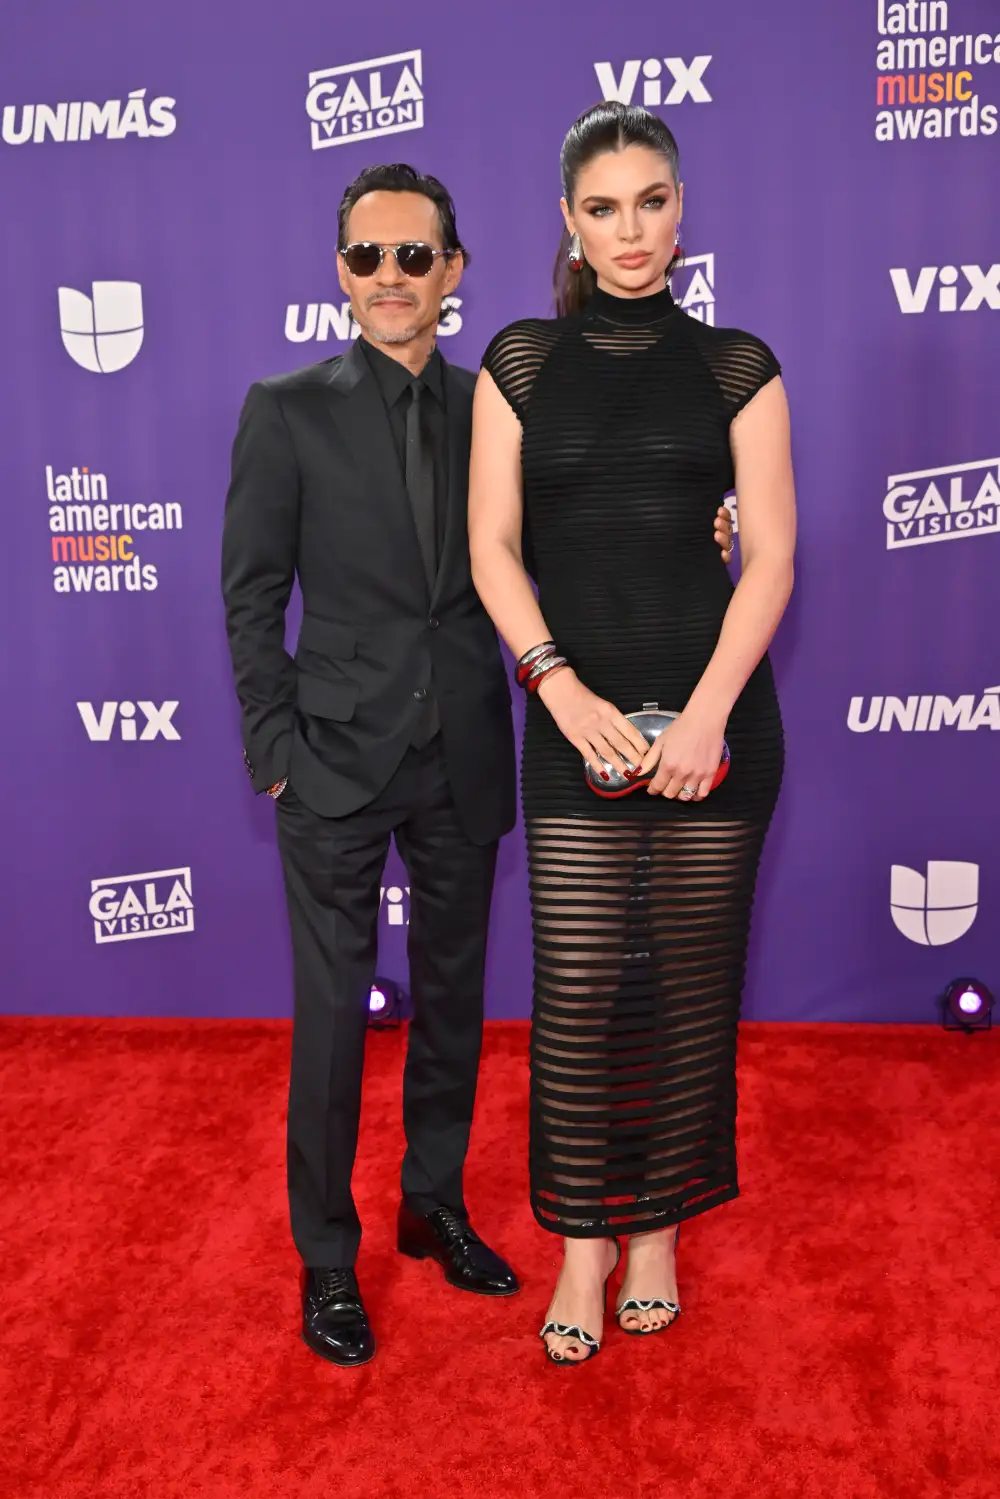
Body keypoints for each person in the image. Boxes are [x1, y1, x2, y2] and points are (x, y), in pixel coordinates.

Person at [222, 160, 737, 1369]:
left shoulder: (508, 399)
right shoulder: (283, 406)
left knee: (453, 1005)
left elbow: (580, 528)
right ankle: (328, 1258)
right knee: (331, 1025)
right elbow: (250, 596)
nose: (390, 277)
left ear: (453, 272)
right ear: (339, 272)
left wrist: (709, 525)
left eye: (415, 256)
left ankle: (433, 1203)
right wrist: (274, 753)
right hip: (334, 762)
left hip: (466, 747)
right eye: (367, 257)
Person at [468, 103, 795, 1365]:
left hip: (717, 724)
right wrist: (556, 687)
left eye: (650, 201)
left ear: (680, 207)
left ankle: (654, 1228)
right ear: (567, 220)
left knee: (687, 991)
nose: (629, 231)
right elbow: (493, 544)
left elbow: (767, 556)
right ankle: (583, 1243)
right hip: (572, 720)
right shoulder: (518, 362)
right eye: (602, 208)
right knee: (584, 993)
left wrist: (706, 714)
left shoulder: (738, 366)